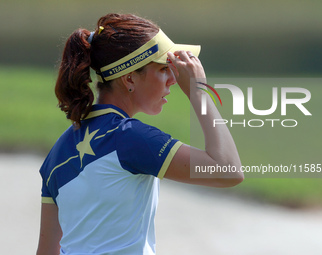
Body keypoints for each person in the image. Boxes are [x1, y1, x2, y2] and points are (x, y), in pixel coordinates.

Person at [37, 13, 243, 255]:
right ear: (129, 78)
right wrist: (199, 93)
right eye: (165, 69)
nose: (173, 80)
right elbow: (228, 170)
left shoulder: (58, 151)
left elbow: (46, 251)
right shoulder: (129, 138)